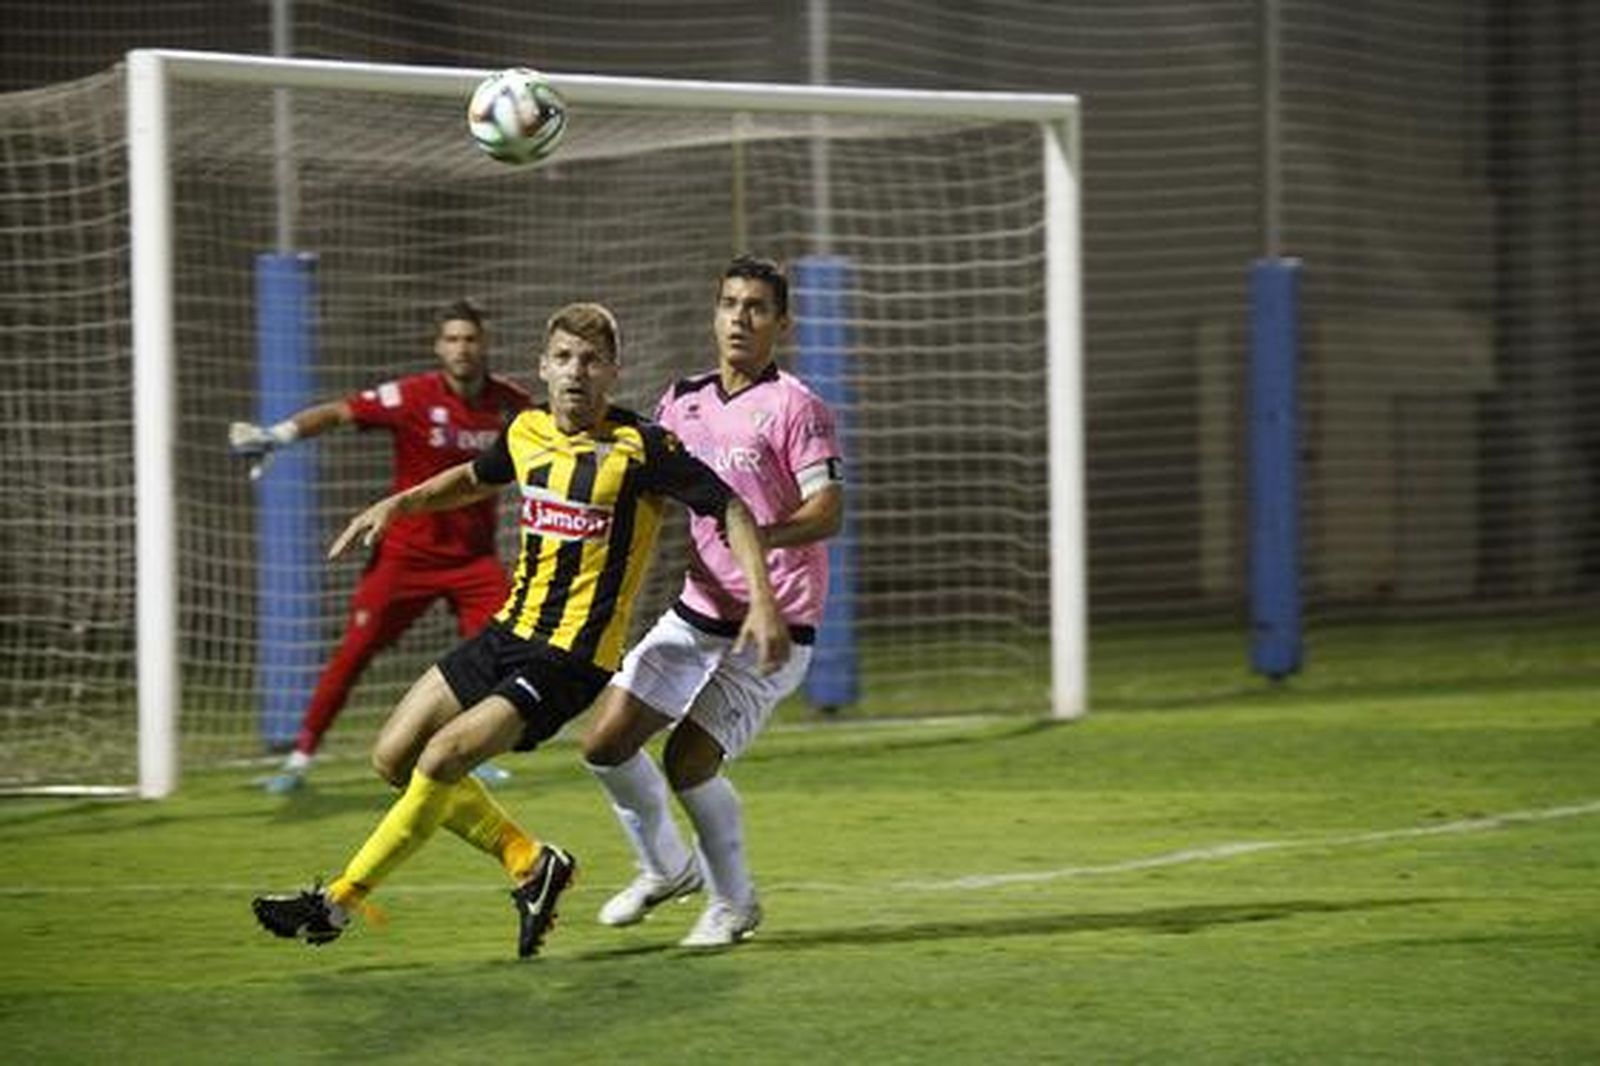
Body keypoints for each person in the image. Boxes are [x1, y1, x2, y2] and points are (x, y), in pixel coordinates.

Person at [251, 302, 790, 959]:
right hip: (509, 631)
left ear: (613, 373)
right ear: (543, 367)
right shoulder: (526, 428)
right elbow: (473, 479)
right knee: (392, 757)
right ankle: (532, 864)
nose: (576, 372)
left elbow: (730, 507)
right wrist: (400, 503)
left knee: (442, 757)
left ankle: (336, 902)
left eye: (591, 361)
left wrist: (762, 602)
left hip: (571, 656)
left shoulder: (643, 448)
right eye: (563, 358)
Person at [581, 255, 844, 948]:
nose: (739, 318)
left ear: (782, 324)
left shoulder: (796, 405)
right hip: (697, 610)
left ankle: (734, 904)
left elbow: (828, 511)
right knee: (604, 744)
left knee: (689, 761)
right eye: (729, 304)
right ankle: (667, 869)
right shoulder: (682, 400)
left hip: (774, 621)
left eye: (756, 307)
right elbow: (649, 484)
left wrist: (755, 535)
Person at [229, 299, 527, 793]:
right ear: (438, 347)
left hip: (473, 560)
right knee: (355, 651)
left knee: (508, 648)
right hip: (407, 556)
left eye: (470, 339)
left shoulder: (510, 402)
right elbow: (339, 411)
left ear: (485, 344)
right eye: (452, 339)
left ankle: (471, 753)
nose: (461, 348)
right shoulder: (410, 396)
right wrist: (277, 436)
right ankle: (298, 761)